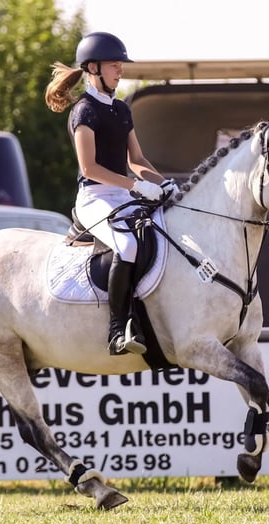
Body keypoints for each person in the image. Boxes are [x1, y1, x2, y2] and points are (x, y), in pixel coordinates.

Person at [45, 31, 180, 356]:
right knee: (128, 244)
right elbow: (89, 168)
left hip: (122, 194)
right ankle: (118, 329)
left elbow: (137, 160)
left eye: (120, 65)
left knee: (163, 232)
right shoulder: (84, 111)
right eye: (114, 65)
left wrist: (163, 184)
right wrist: (135, 186)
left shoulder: (121, 109)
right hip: (94, 197)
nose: (120, 71)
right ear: (93, 68)